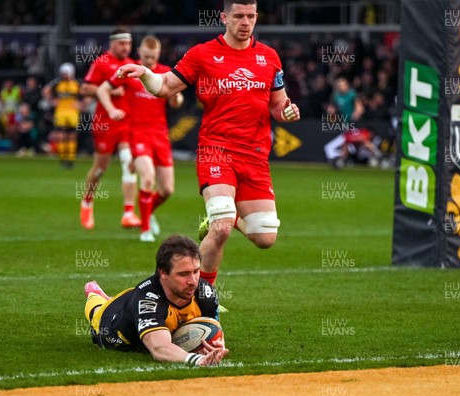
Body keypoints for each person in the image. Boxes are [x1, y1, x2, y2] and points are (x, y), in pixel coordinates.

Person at [118, 0, 300, 285]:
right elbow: (165, 86)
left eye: (251, 16)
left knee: (265, 237)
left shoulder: (269, 57)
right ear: (223, 17)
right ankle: (203, 300)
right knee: (222, 228)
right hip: (216, 150)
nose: (245, 22)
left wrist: (287, 111)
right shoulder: (202, 54)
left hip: (254, 154)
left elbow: (278, 104)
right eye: (238, 16)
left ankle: (226, 210)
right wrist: (144, 74)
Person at [83, 235, 228, 366]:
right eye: (183, 274)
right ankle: (93, 292)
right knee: (97, 311)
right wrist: (198, 360)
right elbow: (159, 349)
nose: (193, 281)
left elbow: (214, 330)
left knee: (134, 301)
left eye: (196, 271)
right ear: (163, 272)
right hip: (111, 322)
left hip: (137, 301)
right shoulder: (147, 302)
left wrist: (215, 345)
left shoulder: (205, 293)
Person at [96, 35, 184, 242]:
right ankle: (145, 229)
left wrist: (176, 97)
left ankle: (147, 212)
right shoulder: (129, 70)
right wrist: (111, 110)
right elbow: (103, 89)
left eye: (153, 57)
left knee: (167, 190)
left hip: (160, 134)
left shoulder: (164, 72)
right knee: (147, 178)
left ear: (158, 55)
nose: (150, 61)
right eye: (146, 57)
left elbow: (175, 102)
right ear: (140, 54)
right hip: (137, 133)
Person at [79, 28, 141, 230]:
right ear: (112, 44)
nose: (126, 47)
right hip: (105, 122)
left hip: (128, 122)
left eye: (129, 44)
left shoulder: (133, 64)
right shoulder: (102, 62)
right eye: (122, 44)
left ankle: (128, 212)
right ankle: (87, 201)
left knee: (128, 163)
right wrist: (110, 88)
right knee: (100, 169)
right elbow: (85, 88)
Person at [42, 63, 81, 168]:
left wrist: (82, 104)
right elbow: (45, 90)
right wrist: (51, 101)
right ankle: (63, 158)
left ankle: (71, 159)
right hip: (61, 112)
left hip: (73, 112)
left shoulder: (77, 83)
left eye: (67, 73)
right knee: (61, 135)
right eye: (63, 73)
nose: (65, 76)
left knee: (72, 136)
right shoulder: (57, 82)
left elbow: (88, 93)